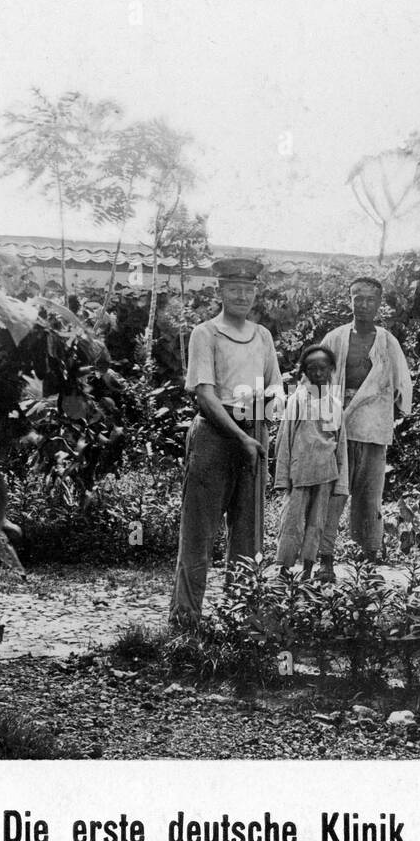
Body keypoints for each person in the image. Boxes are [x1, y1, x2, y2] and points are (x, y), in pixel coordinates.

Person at [170, 256, 283, 625]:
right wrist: (240, 436)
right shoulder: (206, 333)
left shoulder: (262, 335)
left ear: (255, 293)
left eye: (248, 289)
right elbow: (204, 394)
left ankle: (240, 618)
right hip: (215, 437)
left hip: (253, 435)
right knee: (199, 532)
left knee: (248, 534)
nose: (241, 295)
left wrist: (265, 414)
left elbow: (275, 385)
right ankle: (186, 619)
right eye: (233, 288)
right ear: (220, 290)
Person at [317, 276, 413, 579]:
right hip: (338, 426)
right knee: (334, 493)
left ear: (379, 303)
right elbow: (315, 382)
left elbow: (402, 385)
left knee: (370, 495)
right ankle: (326, 559)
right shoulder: (334, 339)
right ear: (350, 300)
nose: (364, 304)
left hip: (373, 426)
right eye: (358, 297)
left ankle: (369, 558)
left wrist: (389, 413)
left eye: (371, 299)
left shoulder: (387, 341)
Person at [273, 345, 349, 579]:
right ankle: (284, 569)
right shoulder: (296, 400)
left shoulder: (335, 404)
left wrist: (341, 481)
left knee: (317, 523)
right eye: (312, 368)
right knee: (292, 522)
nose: (318, 373)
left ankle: (308, 568)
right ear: (304, 371)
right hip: (300, 472)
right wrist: (283, 477)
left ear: (331, 370)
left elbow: (340, 444)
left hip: (326, 473)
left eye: (323, 368)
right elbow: (284, 439)